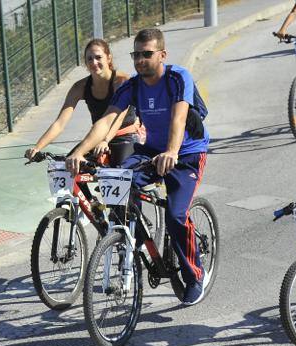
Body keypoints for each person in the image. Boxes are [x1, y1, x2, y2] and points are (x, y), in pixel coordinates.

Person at [66, 28, 210, 306]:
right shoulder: (132, 86)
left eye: (147, 54)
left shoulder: (177, 77)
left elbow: (179, 118)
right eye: (136, 55)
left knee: (176, 216)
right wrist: (80, 152)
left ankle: (195, 274)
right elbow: (106, 121)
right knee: (118, 182)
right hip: (150, 151)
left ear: (162, 54)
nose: (140, 60)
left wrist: (172, 151)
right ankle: (133, 242)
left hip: (186, 153)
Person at [24, 38, 143, 166]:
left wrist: (105, 140)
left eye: (98, 57)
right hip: (97, 137)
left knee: (121, 174)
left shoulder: (122, 81)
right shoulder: (79, 87)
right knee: (68, 165)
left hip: (125, 135)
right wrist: (37, 147)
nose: (94, 62)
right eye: (89, 59)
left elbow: (118, 119)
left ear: (108, 58)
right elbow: (59, 123)